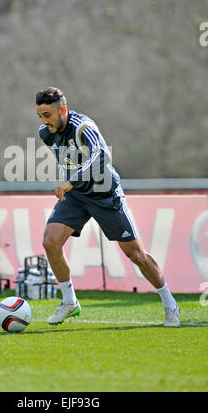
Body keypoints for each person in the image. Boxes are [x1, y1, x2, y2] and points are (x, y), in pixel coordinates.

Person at [36, 87, 180, 327]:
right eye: (40, 115)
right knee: (50, 242)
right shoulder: (45, 133)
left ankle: (170, 305)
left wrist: (71, 180)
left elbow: (102, 157)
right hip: (77, 197)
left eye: (48, 115)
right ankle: (70, 302)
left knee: (136, 255)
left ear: (62, 110)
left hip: (105, 196)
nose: (44, 121)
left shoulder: (84, 128)